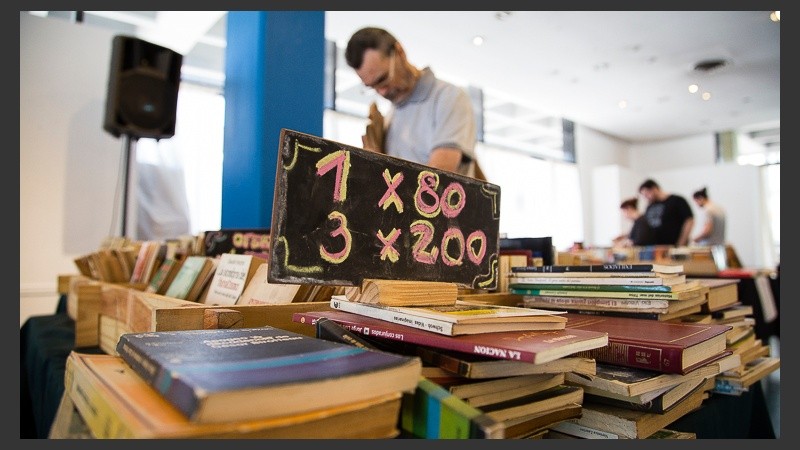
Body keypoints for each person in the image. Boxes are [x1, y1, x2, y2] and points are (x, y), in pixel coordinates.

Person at [345, 27, 477, 175]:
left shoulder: (449, 98)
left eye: (383, 79)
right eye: (372, 87)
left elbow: (435, 182)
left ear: (400, 52)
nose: (382, 91)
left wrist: (379, 168)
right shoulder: (390, 117)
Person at [638, 179, 694, 246]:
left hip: (674, 245)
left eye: (646, 194)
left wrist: (681, 243)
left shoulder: (677, 200)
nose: (646, 197)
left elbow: (689, 220)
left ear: (654, 189)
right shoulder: (650, 207)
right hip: (655, 248)